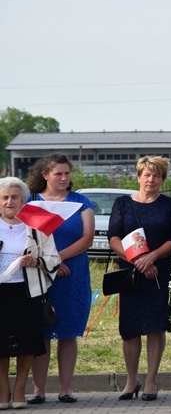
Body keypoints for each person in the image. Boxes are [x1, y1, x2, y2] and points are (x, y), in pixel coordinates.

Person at [108, 156, 171, 402]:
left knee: (154, 326)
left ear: (163, 179)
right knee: (130, 330)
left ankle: (151, 380)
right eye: (147, 174)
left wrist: (151, 258)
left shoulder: (169, 205)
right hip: (132, 275)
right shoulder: (122, 204)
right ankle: (132, 380)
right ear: (138, 177)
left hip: (159, 273)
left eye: (157, 175)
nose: (152, 179)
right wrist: (138, 261)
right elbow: (114, 238)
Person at [26, 154, 95, 404]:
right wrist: (49, 264)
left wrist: (58, 259)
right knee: (41, 332)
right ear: (45, 175)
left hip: (73, 274)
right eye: (59, 174)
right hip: (38, 275)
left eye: (67, 173)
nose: (65, 178)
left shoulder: (81, 202)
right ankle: (38, 390)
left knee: (67, 332)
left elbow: (87, 238)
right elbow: (25, 237)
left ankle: (66, 389)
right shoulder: (30, 201)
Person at [0, 178, 61, 410]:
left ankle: (20, 389)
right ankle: (3, 390)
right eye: (4, 197)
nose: (9, 201)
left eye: (15, 197)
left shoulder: (37, 226)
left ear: (23, 200)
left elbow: (54, 259)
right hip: (1, 293)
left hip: (28, 293)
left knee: (26, 344)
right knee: (1, 345)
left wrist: (35, 261)